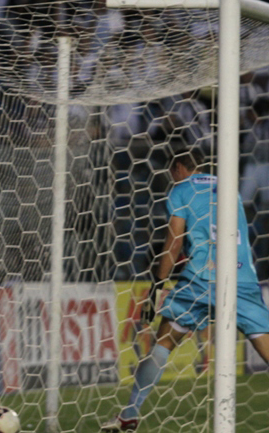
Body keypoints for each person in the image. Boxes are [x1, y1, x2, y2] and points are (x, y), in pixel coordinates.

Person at [102, 148, 269, 431]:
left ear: (178, 168)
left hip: (201, 278)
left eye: (172, 172)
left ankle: (130, 414)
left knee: (164, 343)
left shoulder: (181, 190)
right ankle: (128, 415)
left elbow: (174, 242)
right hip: (242, 278)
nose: (172, 177)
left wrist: (157, 286)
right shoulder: (228, 186)